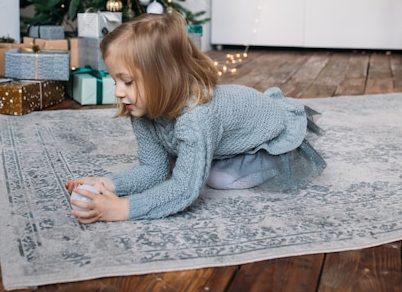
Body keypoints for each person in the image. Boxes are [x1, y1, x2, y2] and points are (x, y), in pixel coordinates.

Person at [65, 13, 326, 224]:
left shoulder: (196, 118)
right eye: (116, 81)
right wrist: (108, 184)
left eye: (127, 81)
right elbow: (153, 171)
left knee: (215, 178)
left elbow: (185, 189)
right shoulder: (141, 108)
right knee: (192, 164)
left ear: (164, 78)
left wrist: (122, 208)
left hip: (270, 130)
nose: (118, 92)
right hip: (224, 128)